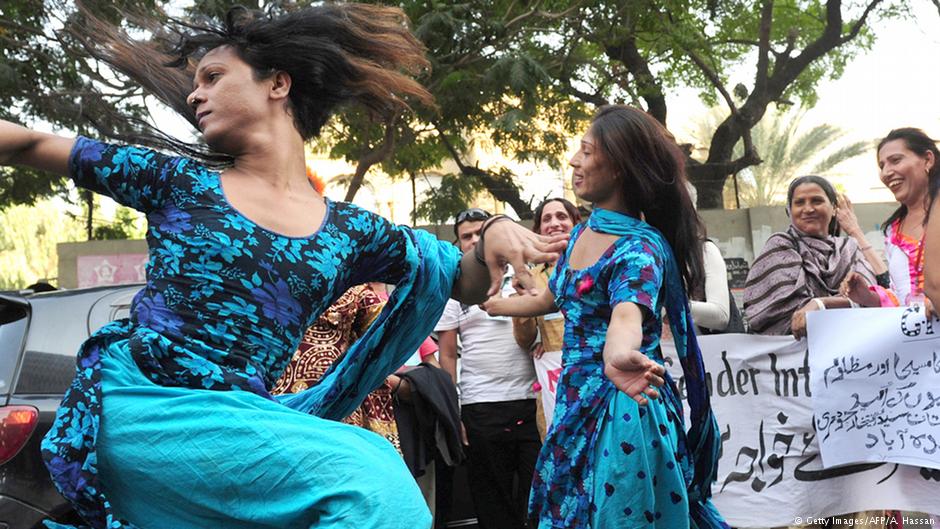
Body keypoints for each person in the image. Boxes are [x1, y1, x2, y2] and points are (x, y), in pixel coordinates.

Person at [0, 4, 566, 529]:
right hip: (144, 407)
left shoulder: (350, 231)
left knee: (366, 464)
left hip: (239, 421)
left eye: (213, 77)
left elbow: (460, 279)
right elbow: (27, 145)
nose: (196, 95)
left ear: (278, 82)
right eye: (195, 82)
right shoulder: (174, 181)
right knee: (369, 477)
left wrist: (492, 233)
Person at [485, 105, 725, 529]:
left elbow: (626, 317)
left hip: (624, 408)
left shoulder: (638, 250)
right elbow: (554, 297)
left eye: (586, 151)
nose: (574, 161)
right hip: (576, 402)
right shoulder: (583, 231)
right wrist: (494, 303)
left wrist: (618, 356)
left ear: (618, 167)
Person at [436, 207, 542, 529]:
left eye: (481, 233)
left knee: (539, 501)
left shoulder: (529, 275)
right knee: (492, 508)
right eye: (467, 236)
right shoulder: (454, 291)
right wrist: (455, 412)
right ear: (459, 244)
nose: (475, 241)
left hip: (533, 402)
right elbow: (448, 355)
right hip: (480, 407)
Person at [744, 175, 878, 339]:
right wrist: (844, 303)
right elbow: (787, 314)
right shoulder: (780, 246)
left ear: (834, 208)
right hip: (794, 357)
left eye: (817, 201)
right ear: (789, 210)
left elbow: (873, 299)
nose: (808, 209)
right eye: (799, 202)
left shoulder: (849, 247)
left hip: (851, 347)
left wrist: (821, 304)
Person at [843, 128, 938, 312]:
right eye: (882, 166)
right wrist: (867, 296)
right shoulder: (892, 232)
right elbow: (900, 297)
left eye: (896, 160)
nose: (886, 173)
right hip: (915, 338)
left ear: (928, 160)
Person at [511, 198, 581, 433]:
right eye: (547, 219)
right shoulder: (530, 276)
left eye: (562, 217)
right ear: (538, 231)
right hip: (553, 385)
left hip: (596, 373)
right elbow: (524, 340)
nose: (554, 224)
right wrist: (524, 306)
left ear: (576, 223)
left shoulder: (596, 266)